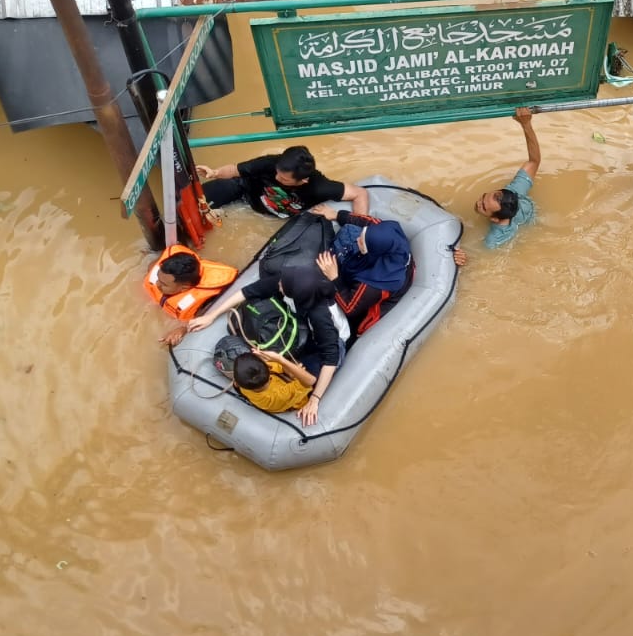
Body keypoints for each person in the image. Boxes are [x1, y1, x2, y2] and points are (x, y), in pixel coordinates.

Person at [186, 265, 346, 426]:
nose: (278, 285)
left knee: (309, 374)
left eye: (282, 284)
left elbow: (331, 359)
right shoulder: (288, 283)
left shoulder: (320, 316)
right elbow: (247, 292)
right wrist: (212, 316)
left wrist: (315, 399)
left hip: (327, 343)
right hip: (301, 325)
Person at [310, 208, 467, 340]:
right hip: (385, 267)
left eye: (362, 242)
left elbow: (350, 308)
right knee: (349, 234)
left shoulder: (374, 283)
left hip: (374, 299)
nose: (358, 239)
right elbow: (369, 223)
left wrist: (334, 278)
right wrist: (338, 215)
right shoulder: (391, 234)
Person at [196, 145, 368, 219]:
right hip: (245, 194)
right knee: (199, 199)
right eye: (277, 173)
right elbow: (235, 170)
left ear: (303, 180)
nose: (277, 178)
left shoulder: (319, 187)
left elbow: (360, 193)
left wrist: (357, 226)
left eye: (284, 179)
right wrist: (215, 172)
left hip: (281, 216)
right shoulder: (271, 163)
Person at [147, 244, 237, 347]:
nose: (157, 284)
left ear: (184, 288)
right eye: (158, 278)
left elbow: (202, 319)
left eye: (164, 284)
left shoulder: (204, 302)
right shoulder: (164, 272)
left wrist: (183, 330)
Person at [475, 108, 540, 249]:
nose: (478, 202)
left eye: (483, 207)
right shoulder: (514, 191)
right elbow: (534, 161)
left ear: (494, 219)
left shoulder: (494, 239)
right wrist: (526, 124)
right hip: (528, 211)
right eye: (484, 197)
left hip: (525, 228)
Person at [230, 348, 315, 414]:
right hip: (300, 398)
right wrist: (280, 359)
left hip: (287, 381)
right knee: (318, 359)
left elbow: (279, 367)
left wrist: (289, 372)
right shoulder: (275, 397)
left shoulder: (243, 383)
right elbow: (310, 381)